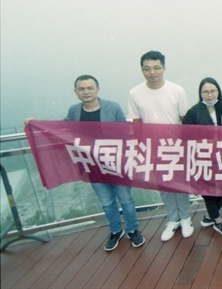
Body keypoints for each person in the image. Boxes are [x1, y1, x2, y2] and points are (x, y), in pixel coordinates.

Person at [25, 75, 146, 251]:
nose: (86, 92)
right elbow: (61, 127)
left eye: (90, 88)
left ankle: (133, 230)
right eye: (81, 89)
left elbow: (124, 132)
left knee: (126, 199)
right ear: (75, 91)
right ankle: (115, 231)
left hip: (116, 162)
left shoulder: (112, 107)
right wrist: (36, 123)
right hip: (91, 165)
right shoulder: (74, 111)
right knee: (107, 202)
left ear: (98, 89)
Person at [127, 51, 193, 242]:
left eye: (156, 68)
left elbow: (185, 119)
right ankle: (173, 219)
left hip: (176, 146)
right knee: (164, 186)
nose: (152, 72)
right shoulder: (134, 93)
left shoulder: (176, 90)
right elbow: (136, 123)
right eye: (147, 69)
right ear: (142, 70)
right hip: (153, 148)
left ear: (164, 68)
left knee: (180, 184)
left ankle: (186, 218)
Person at [182, 77, 222, 237]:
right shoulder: (193, 112)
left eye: (213, 91)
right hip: (203, 158)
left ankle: (210, 215)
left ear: (218, 91)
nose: (209, 95)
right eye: (205, 92)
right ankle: (217, 220)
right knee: (208, 190)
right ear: (200, 93)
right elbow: (185, 137)